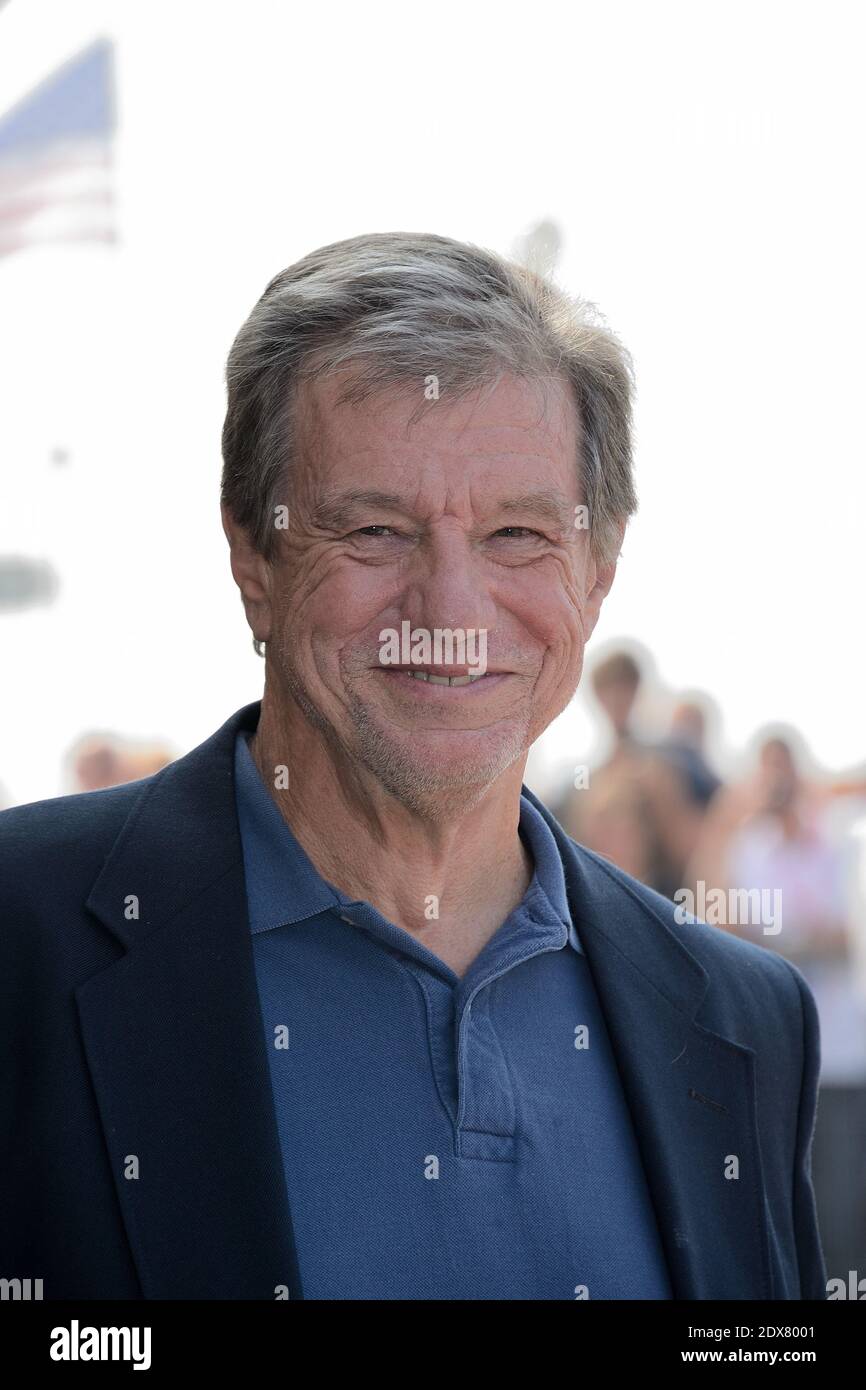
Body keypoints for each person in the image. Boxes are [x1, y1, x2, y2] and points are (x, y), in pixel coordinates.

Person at [0, 231, 826, 1300]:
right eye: (375, 530)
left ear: (599, 568)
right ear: (253, 554)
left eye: (517, 534)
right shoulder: (22, 939)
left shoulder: (742, 1020)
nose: (449, 611)